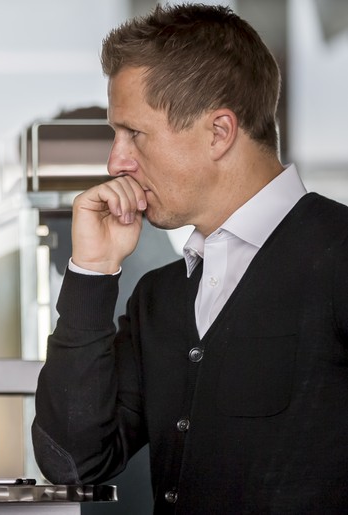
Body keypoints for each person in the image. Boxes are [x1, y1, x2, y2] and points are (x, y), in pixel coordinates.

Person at [32, 3, 348, 514]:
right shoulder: (160, 296)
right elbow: (71, 460)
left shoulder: (339, 256)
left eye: (134, 132)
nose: (116, 161)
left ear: (219, 133)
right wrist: (92, 272)